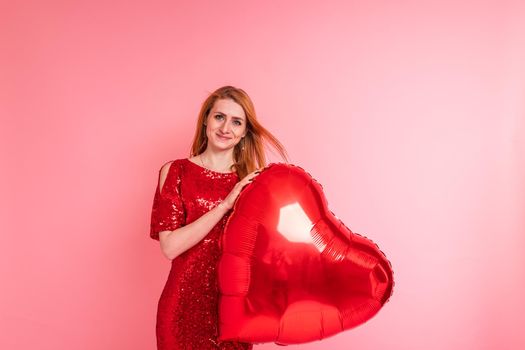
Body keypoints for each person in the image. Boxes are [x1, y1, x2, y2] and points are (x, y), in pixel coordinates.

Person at [149, 85, 289, 349]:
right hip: (181, 308)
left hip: (232, 314)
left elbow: (266, 254)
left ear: (245, 132)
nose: (226, 128)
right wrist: (226, 204)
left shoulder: (254, 183)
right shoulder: (175, 172)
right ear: (206, 120)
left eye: (237, 122)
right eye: (219, 117)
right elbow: (170, 247)